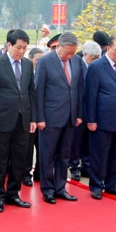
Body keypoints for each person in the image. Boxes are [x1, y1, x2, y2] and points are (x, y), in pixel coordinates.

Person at [0, 29, 36, 213]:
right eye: (18, 47)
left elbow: (31, 93)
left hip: (23, 120)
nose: (21, 51)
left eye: (25, 48)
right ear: (8, 45)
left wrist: (33, 118)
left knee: (19, 160)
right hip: (1, 120)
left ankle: (13, 194)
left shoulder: (28, 65)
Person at [35, 32, 83, 204]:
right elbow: (38, 91)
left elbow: (79, 89)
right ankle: (47, 189)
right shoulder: (45, 62)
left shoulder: (77, 61)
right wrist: (39, 117)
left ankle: (60, 187)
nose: (69, 56)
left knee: (64, 155)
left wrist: (79, 114)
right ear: (58, 46)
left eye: (73, 52)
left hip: (70, 116)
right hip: (50, 117)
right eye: (67, 52)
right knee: (47, 155)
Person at [85, 36, 116, 200]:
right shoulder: (96, 66)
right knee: (100, 154)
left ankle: (112, 184)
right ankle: (96, 185)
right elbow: (90, 95)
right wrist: (91, 120)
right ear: (108, 49)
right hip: (102, 120)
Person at [69, 41, 101, 181]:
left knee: (89, 141)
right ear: (85, 54)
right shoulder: (76, 65)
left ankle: (86, 165)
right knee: (76, 141)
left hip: (92, 111)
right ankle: (74, 167)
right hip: (78, 111)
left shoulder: (98, 67)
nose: (95, 61)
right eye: (93, 58)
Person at [25, 47, 45, 184]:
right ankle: (26, 174)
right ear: (31, 59)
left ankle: (40, 173)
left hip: (43, 117)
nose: (40, 63)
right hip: (29, 116)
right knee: (27, 147)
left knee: (42, 147)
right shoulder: (26, 73)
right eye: (38, 60)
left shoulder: (45, 72)